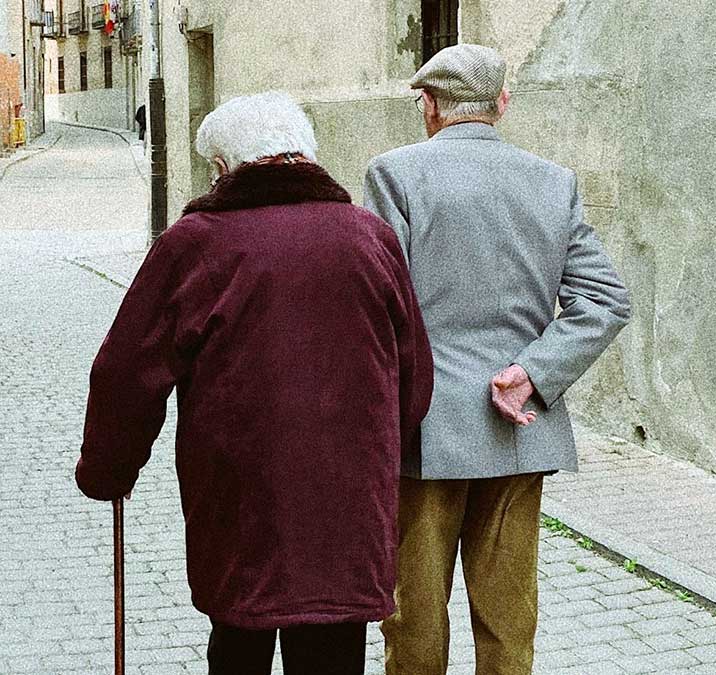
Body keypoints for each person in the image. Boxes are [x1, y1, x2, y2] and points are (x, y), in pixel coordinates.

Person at [75, 91, 434, 675]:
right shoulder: (370, 238)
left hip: (239, 500)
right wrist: (377, 450)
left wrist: (109, 469)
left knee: (239, 637)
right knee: (334, 646)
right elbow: (413, 374)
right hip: (345, 501)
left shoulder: (194, 244)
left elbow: (125, 373)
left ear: (221, 170)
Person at [364, 44, 632, 674]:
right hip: (518, 427)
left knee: (415, 618)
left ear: (428, 107)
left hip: (422, 431)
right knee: (510, 621)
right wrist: (535, 373)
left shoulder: (394, 174)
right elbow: (606, 299)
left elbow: (379, 305)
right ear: (502, 105)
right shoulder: (553, 181)